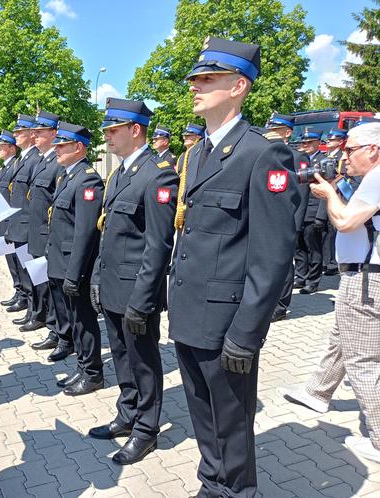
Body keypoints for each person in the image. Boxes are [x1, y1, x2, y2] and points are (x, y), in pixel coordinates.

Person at [168, 37, 300, 497]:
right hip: (190, 313)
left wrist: (247, 332)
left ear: (239, 85)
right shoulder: (197, 152)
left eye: (208, 79)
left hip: (227, 322)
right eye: (195, 79)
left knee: (232, 423)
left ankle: (238, 490)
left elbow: (273, 256)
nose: (195, 87)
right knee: (203, 416)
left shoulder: (262, 153)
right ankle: (212, 483)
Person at [279, 122, 380, 464]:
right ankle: (317, 391)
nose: (344, 157)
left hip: (367, 278)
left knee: (363, 361)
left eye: (350, 150)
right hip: (362, 276)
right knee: (342, 337)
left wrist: (329, 194)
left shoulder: (378, 177)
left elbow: (347, 222)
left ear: (373, 151)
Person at [88, 98, 179, 465]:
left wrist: (143, 300)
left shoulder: (158, 174)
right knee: (122, 358)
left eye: (113, 130)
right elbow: (109, 232)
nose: (107, 136)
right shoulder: (120, 173)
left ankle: (146, 429)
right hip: (113, 285)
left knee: (143, 361)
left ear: (135, 130)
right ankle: (127, 415)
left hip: (136, 291)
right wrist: (97, 277)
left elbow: (158, 246)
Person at [46, 121, 104, 393]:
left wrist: (75, 273)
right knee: (73, 320)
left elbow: (85, 232)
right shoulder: (66, 176)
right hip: (60, 262)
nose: (56, 150)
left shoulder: (88, 179)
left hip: (74, 265)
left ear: (78, 147)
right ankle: (82, 366)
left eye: (62, 145)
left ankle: (92, 372)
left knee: (83, 321)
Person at [264, 112, 311, 322]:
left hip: (288, 219)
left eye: (276, 129)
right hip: (266, 216)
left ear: (288, 132)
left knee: (283, 262)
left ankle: (281, 305)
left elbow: (301, 193)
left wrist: (296, 223)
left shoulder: (297, 156)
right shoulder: (264, 152)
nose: (271, 132)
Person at [25, 111, 62, 346]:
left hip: (47, 235)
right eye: (34, 132)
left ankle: (57, 331)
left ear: (54, 134)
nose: (34, 135)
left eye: (40, 132)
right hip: (35, 234)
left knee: (51, 289)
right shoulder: (41, 160)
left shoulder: (57, 163)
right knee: (42, 285)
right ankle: (51, 325)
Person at [5, 115, 42, 324]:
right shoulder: (23, 159)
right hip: (18, 225)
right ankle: (30, 307)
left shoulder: (36, 159)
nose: (16, 136)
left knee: (33, 274)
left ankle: (36, 312)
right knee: (24, 271)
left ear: (30, 134)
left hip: (28, 226)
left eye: (20, 132)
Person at [294, 128, 328, 295]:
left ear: (318, 143)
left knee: (313, 248)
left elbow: (326, 191)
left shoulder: (323, 162)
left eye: (309, 142)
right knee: (299, 246)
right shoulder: (300, 159)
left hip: (313, 210)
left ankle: (312, 281)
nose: (305, 145)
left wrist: (321, 217)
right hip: (300, 210)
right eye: (303, 142)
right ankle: (300, 276)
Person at [0, 130, 23, 308]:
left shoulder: (15, 166)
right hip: (3, 222)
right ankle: (18, 291)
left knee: (18, 261)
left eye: (2, 146)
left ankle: (23, 295)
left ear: (12, 148)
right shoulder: (6, 167)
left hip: (11, 222)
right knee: (11, 261)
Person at [322, 128, 347, 276]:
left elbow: (342, 176)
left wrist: (330, 186)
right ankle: (327, 261)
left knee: (333, 231)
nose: (328, 142)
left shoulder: (341, 157)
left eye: (331, 140)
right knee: (326, 231)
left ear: (340, 141)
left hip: (337, 195)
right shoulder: (327, 156)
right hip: (325, 196)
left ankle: (332, 263)